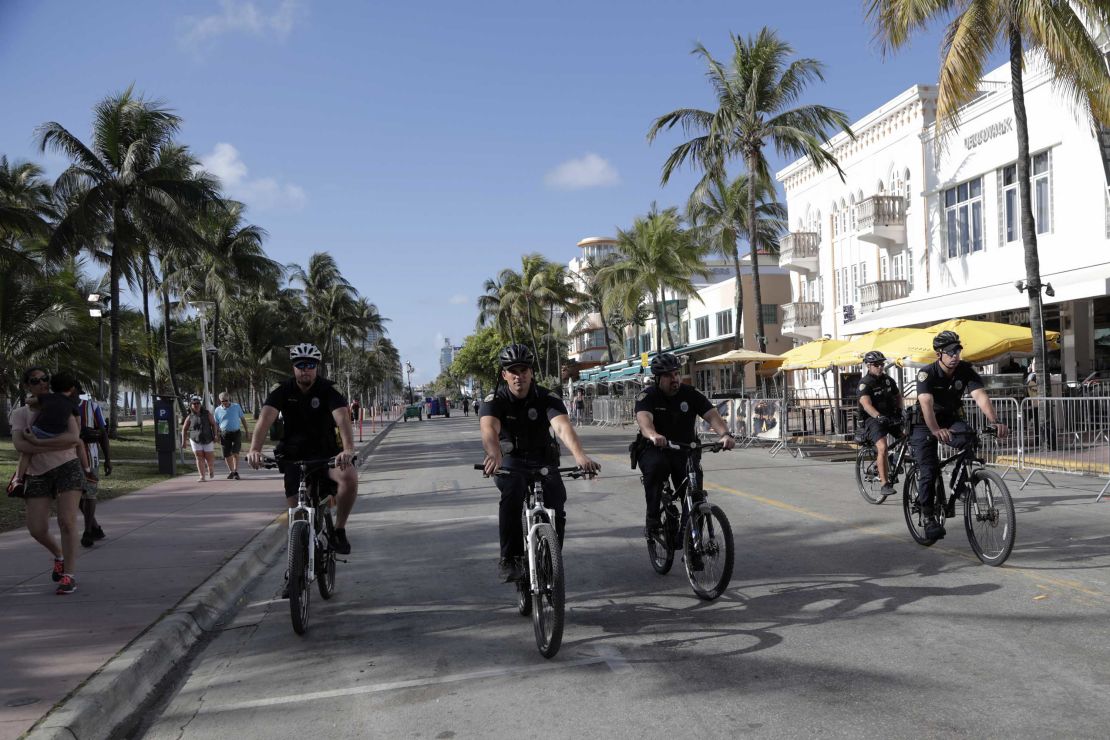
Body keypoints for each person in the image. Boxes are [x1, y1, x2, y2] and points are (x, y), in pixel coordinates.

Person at [479, 343, 600, 582]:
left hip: (543, 459)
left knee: (557, 500)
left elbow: (562, 427)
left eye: (523, 370)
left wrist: (580, 456)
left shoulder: (547, 397)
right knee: (512, 493)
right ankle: (510, 558)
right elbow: (489, 429)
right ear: (504, 375)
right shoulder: (496, 399)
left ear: (531, 372)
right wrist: (494, 454)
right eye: (513, 371)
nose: (519, 376)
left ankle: (552, 557)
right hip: (509, 460)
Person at [247, 343, 358, 564]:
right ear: (293, 368)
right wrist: (254, 450)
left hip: (326, 455)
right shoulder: (282, 389)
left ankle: (339, 529)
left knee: (349, 476)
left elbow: (343, 419)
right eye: (300, 365)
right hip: (293, 456)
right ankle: (295, 573)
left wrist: (347, 450)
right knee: (296, 516)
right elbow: (265, 419)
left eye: (309, 365)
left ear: (316, 367)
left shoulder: (328, 390)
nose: (304, 370)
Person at [911, 330, 1009, 540]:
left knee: (969, 438)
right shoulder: (927, 374)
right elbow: (926, 404)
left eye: (958, 350)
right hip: (925, 423)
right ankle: (928, 518)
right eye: (950, 352)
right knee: (928, 469)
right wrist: (936, 430)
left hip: (950, 418)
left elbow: (980, 396)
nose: (955, 355)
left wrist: (995, 421)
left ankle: (960, 482)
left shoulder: (965, 370)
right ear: (939, 354)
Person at [634, 353, 735, 540]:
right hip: (656, 448)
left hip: (686, 449)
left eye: (676, 374)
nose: (674, 379)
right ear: (658, 378)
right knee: (657, 468)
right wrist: (653, 435)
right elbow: (644, 420)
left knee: (695, 492)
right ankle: (653, 520)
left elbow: (712, 415)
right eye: (668, 375)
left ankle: (692, 542)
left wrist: (725, 434)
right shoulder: (648, 396)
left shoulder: (690, 394)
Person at [9, 367, 85, 594]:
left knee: (67, 521)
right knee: (36, 528)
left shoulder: (61, 406)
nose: (42, 383)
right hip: (37, 473)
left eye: (45, 379)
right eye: (35, 380)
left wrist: (39, 445)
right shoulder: (20, 414)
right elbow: (19, 446)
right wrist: (55, 443)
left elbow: (73, 439)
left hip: (67, 467)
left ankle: (69, 576)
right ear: (27, 385)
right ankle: (59, 555)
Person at [856, 350, 905, 497]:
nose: (880, 367)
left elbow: (898, 396)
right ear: (868, 366)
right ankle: (884, 484)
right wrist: (878, 416)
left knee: (906, 437)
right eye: (876, 365)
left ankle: (893, 460)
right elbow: (866, 404)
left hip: (890, 416)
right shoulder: (865, 384)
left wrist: (901, 411)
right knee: (882, 447)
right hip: (873, 419)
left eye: (881, 364)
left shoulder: (888, 380)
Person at [181, 396, 218, 482]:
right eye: (194, 404)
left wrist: (215, 435)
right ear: (191, 406)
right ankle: (202, 476)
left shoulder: (207, 413)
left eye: (198, 403)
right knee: (199, 457)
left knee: (209, 458)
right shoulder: (190, 416)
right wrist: (184, 442)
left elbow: (214, 424)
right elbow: (184, 429)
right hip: (195, 439)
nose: (196, 405)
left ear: (200, 405)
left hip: (208, 438)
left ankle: (211, 468)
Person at [214, 392, 249, 480]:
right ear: (220, 401)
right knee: (226, 454)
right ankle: (231, 471)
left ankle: (236, 471)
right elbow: (216, 423)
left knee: (235, 452)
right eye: (223, 401)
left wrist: (247, 431)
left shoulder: (236, 407)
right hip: (224, 434)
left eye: (226, 400)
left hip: (236, 432)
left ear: (229, 399)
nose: (225, 402)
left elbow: (243, 419)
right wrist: (216, 434)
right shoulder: (217, 410)